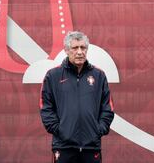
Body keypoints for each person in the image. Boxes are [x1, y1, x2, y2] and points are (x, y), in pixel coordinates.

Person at [40, 31, 114, 163]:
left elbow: (107, 107)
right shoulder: (53, 76)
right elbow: (46, 107)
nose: (80, 52)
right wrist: (60, 130)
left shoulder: (99, 75)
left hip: (91, 147)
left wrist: (98, 130)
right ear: (66, 50)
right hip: (64, 147)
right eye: (75, 48)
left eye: (83, 47)